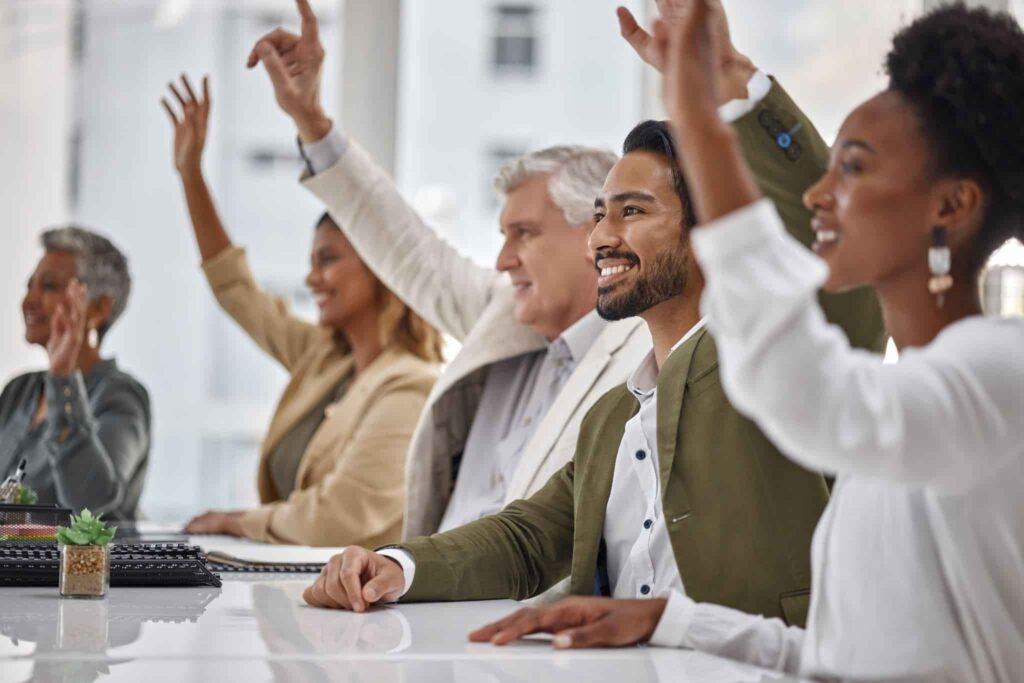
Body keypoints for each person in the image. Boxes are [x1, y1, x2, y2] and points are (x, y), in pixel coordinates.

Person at [474, 3, 1024, 682]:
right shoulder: (904, 417)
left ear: (950, 207)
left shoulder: (1004, 375)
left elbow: (799, 384)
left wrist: (701, 118)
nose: (819, 193)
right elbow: (837, 660)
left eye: (852, 168)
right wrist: (669, 620)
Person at [296, 6, 885, 619]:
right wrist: (395, 566)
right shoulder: (613, 419)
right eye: (600, 213)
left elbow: (831, 249)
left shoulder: (778, 362)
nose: (600, 236)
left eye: (631, 212)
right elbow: (526, 539)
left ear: (710, 227)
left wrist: (732, 80)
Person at [248, 0, 654, 544]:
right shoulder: (505, 314)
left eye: (524, 234)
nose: (503, 259)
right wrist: (311, 123)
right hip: (420, 603)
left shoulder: (645, 355)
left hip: (516, 623)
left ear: (594, 231)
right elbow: (408, 249)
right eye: (503, 235)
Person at [162, 75, 443, 547]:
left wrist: (239, 521)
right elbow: (235, 289)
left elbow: (336, 519)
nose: (312, 279)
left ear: (379, 268)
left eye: (328, 260)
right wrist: (190, 173)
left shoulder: (411, 386)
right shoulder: (324, 358)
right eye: (311, 262)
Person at [0, 227, 149, 520]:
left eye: (49, 287)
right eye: (29, 287)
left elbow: (89, 503)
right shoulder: (19, 391)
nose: (28, 301)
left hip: (79, 567)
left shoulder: (120, 396)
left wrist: (62, 379)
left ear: (98, 308)